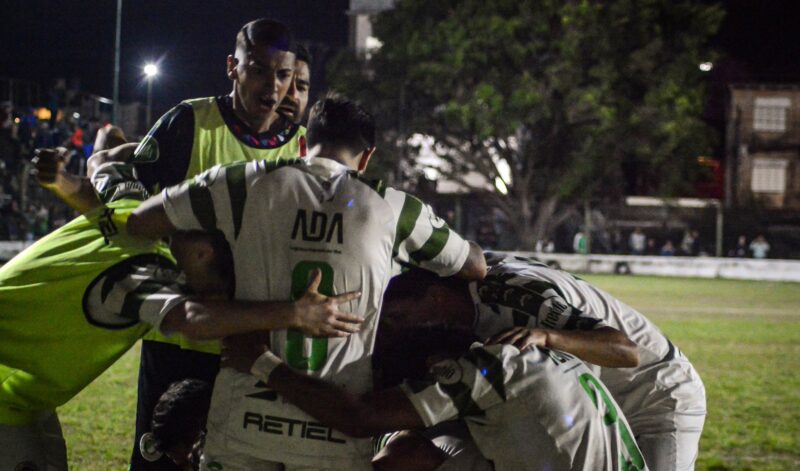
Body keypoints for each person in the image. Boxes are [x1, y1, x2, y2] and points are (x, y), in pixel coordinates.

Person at [127, 93, 487, 470]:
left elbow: (142, 222)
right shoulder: (396, 208)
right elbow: (473, 265)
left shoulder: (241, 183)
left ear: (302, 144)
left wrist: (211, 283)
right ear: (367, 157)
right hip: (334, 429)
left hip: (244, 418)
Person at [0, 145, 359, 471]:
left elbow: (104, 162)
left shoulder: (132, 208)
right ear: (205, 252)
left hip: (23, 397)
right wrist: (294, 313)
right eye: (219, 289)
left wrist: (64, 177)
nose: (213, 299)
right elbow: (189, 318)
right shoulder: (144, 271)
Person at [127, 18, 314, 469]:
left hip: (250, 345)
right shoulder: (188, 122)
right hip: (179, 340)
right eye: (259, 70)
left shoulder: (301, 146)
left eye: (283, 75)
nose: (273, 86)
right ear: (233, 67)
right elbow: (131, 208)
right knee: (161, 458)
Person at [376, 255, 705, 471]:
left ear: (435, 297)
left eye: (400, 318)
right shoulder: (468, 299)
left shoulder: (510, 296)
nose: (399, 329)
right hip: (593, 401)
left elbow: (625, 351)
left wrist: (549, 337)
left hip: (655, 392)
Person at [222, 325, 647, 470]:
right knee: (407, 451)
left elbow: (359, 416)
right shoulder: (541, 355)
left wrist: (263, 365)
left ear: (434, 364)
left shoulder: (487, 368)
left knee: (398, 452)